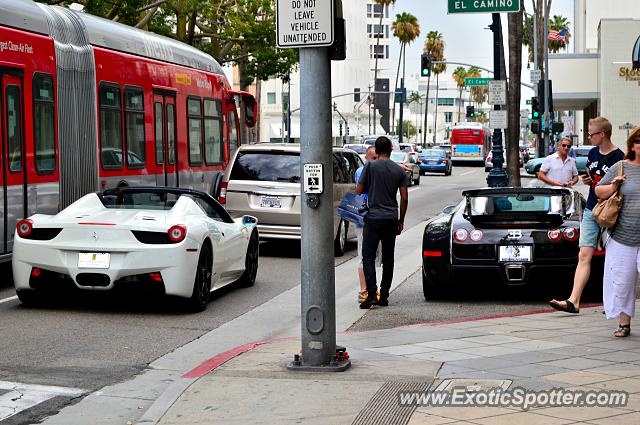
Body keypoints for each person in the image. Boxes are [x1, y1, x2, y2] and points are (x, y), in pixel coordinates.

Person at [550, 117, 624, 314]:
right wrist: (589, 180)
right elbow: (596, 181)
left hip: (611, 211)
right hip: (592, 208)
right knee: (584, 254)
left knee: (614, 258)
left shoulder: (619, 158)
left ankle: (614, 303)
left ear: (603, 134)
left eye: (591, 134)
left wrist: (603, 187)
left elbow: (619, 188)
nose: (589, 137)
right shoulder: (592, 153)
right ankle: (573, 300)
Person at [594, 127, 640, 336]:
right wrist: (614, 186)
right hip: (623, 236)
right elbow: (598, 191)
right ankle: (624, 323)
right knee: (622, 282)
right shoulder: (621, 167)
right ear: (632, 144)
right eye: (638, 141)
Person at [357, 136, 408, 309]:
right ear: (391, 149)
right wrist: (401, 221)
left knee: (368, 256)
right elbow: (404, 198)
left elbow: (359, 190)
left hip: (372, 218)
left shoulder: (370, 166)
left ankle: (371, 294)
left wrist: (363, 210)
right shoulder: (399, 171)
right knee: (388, 257)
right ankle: (384, 295)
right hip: (390, 218)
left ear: (376, 151)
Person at [354, 146, 378, 303]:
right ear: (367, 159)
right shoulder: (361, 172)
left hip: (376, 216)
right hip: (363, 217)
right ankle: (364, 290)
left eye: (378, 158)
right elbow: (362, 189)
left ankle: (372, 288)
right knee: (363, 254)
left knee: (374, 256)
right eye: (373, 159)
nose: (376, 161)